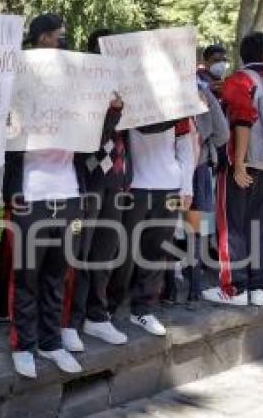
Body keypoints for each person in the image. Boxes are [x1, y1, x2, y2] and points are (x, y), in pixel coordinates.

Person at [4, 13, 86, 378]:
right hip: (30, 195)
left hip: (68, 194)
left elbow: (93, 139)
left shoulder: (78, 84)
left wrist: (109, 112)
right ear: (39, 40)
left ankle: (51, 342)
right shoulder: (16, 83)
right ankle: (24, 344)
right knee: (27, 275)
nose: (61, 43)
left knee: (57, 275)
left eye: (64, 37)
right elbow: (4, 140)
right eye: (55, 36)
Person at [203, 32, 263, 307]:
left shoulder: (238, 81)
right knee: (261, 226)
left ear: (242, 54)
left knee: (233, 226)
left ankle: (234, 288)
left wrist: (238, 164)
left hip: (242, 164)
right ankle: (258, 286)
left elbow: (242, 121)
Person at [60, 29, 128, 348]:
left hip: (117, 176)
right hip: (88, 175)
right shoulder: (81, 87)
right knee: (81, 249)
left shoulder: (129, 84)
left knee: (105, 247)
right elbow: (88, 138)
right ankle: (70, 320)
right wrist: (111, 110)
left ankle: (96, 315)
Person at [107, 111, 196, 333]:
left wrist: (187, 187)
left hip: (170, 188)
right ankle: (108, 306)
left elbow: (186, 146)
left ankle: (143, 309)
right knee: (123, 252)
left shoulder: (177, 104)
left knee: (157, 251)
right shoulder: (130, 96)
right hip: (133, 186)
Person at [183, 79, 230, 301]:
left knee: (163, 227)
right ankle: (195, 287)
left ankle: (167, 288)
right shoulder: (199, 89)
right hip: (198, 168)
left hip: (162, 173)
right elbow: (222, 132)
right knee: (198, 228)